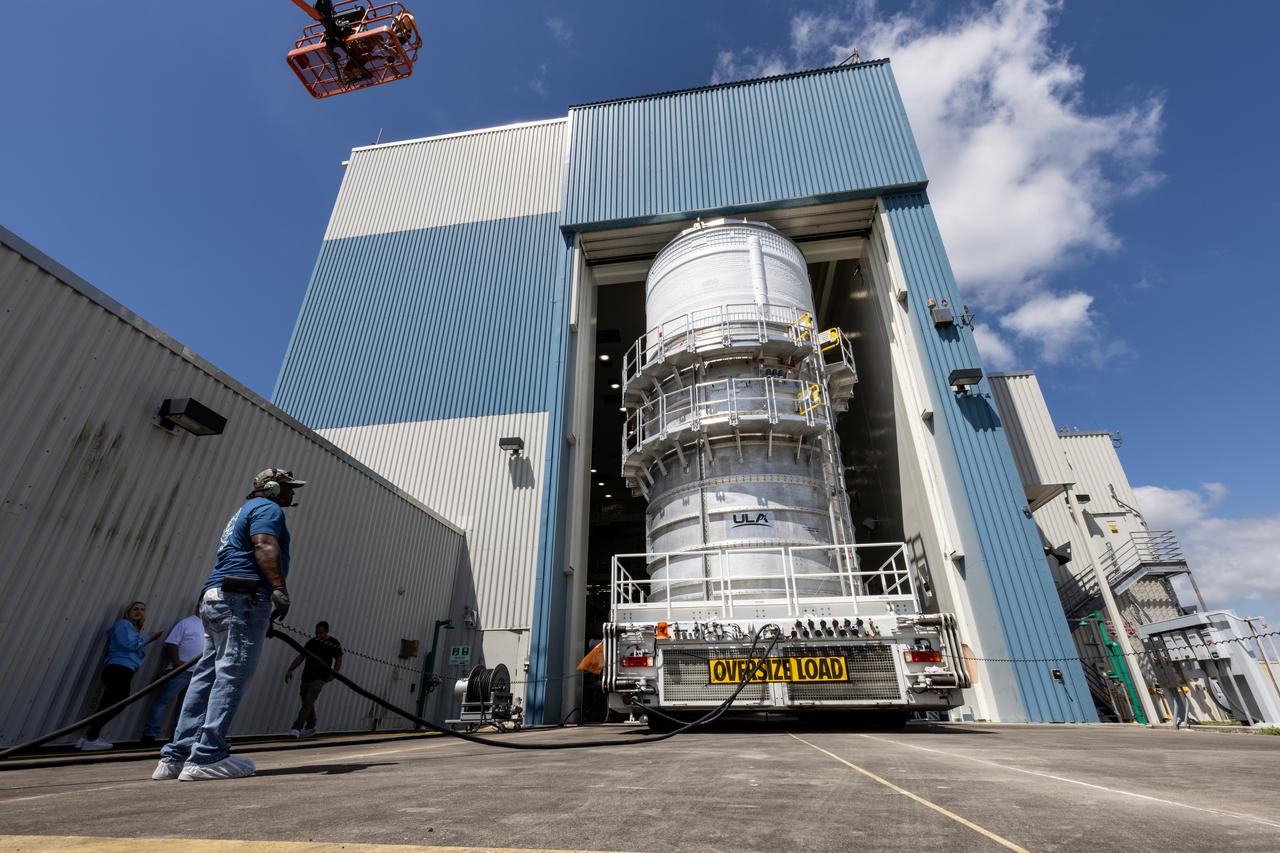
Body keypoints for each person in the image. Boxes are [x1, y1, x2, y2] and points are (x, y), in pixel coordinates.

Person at [152, 468, 306, 782]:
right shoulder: (268, 508)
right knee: (233, 670)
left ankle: (176, 757)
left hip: (216, 595)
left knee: (207, 673)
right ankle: (208, 755)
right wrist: (279, 588)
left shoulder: (243, 511)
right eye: (289, 487)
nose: (293, 493)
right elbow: (263, 545)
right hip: (243, 596)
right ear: (274, 487)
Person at [76, 602, 162, 751]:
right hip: (119, 669)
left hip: (120, 669)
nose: (139, 612)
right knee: (118, 703)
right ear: (127, 612)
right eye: (135, 609)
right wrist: (148, 638)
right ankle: (91, 737)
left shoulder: (131, 629)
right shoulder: (123, 624)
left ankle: (88, 738)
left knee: (107, 704)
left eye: (142, 610)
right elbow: (128, 645)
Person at [140, 604, 204, 745]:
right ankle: (149, 735)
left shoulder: (210, 627)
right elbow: (171, 642)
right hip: (180, 671)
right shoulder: (187, 623)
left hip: (197, 674)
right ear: (198, 607)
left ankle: (178, 739)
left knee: (185, 707)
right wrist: (176, 663)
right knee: (163, 702)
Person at [285, 621, 343, 737]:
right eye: (316, 633)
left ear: (327, 631)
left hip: (321, 677)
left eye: (321, 633)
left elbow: (338, 659)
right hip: (306, 676)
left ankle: (296, 728)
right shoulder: (312, 642)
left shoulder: (334, 643)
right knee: (307, 701)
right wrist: (290, 669)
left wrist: (334, 674)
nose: (318, 635)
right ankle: (311, 726)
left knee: (308, 701)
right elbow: (301, 656)